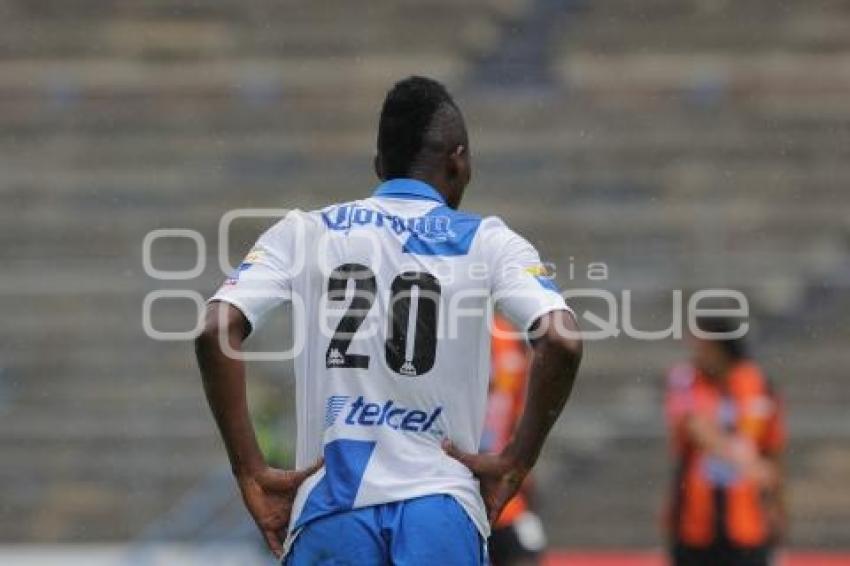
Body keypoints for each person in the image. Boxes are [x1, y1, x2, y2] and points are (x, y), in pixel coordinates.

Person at [195, 76, 583, 565]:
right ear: (458, 160)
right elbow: (563, 342)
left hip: (332, 510)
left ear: (380, 165)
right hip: (440, 509)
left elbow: (214, 329)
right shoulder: (488, 240)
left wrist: (249, 470)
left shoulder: (304, 232)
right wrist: (516, 462)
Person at [665, 316, 786, 566]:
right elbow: (695, 427)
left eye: (701, 346)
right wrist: (747, 464)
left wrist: (777, 506)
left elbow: (772, 450)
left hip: (748, 522)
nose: (696, 354)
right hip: (695, 520)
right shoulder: (686, 379)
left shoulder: (757, 383)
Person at [483, 315, 547, 566]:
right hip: (450, 486)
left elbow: (521, 411)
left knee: (524, 555)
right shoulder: (441, 329)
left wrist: (523, 463)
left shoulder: (507, 335)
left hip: (503, 490)